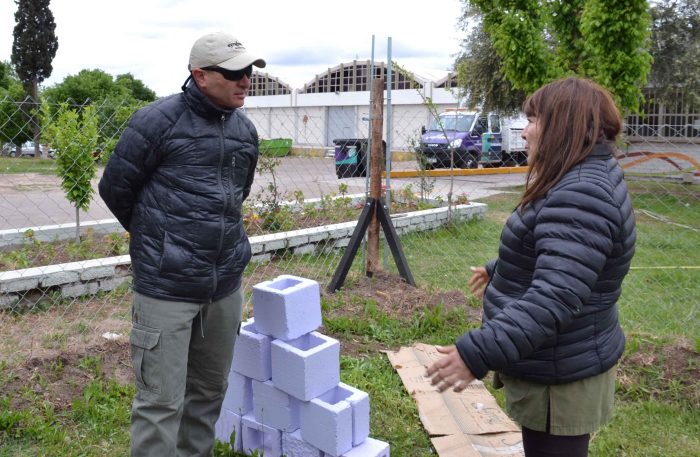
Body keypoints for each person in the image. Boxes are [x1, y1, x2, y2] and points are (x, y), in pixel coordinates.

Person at [426, 77, 636, 457]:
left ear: (563, 126)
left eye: (534, 120)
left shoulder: (581, 193)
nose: (524, 132)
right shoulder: (583, 176)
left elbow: (554, 296)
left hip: (561, 372)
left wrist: (476, 353)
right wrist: (502, 267)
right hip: (564, 357)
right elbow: (563, 255)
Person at [98, 31, 265, 456]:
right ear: (200, 75)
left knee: (209, 394)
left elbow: (235, 196)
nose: (246, 79)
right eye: (234, 73)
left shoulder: (245, 131)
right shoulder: (157, 121)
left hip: (223, 287)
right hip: (166, 290)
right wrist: (161, 240)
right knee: (159, 404)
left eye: (249, 71)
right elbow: (116, 188)